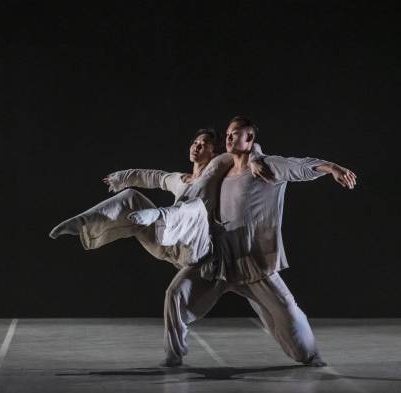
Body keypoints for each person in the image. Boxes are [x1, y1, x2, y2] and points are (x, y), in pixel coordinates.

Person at [158, 116, 357, 367]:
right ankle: (173, 356)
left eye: (236, 134)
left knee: (287, 314)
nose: (229, 137)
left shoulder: (266, 167)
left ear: (250, 138)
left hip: (252, 259)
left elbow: (298, 166)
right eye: (228, 134)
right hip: (218, 259)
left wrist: (332, 168)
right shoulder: (223, 166)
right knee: (175, 293)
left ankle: (308, 354)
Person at [49, 128, 268, 269]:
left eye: (203, 144)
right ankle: (83, 223)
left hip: (196, 247)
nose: (196, 146)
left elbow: (250, 146)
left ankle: (157, 215)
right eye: (194, 142)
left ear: (214, 151)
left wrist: (256, 158)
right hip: (167, 243)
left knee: (195, 207)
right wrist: (122, 178)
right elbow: (153, 176)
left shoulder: (217, 166)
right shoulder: (179, 179)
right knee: (131, 197)